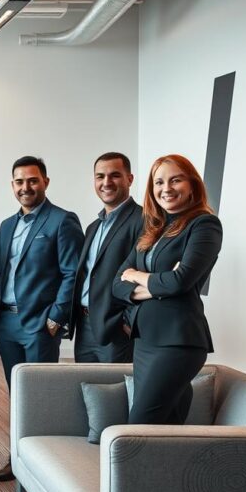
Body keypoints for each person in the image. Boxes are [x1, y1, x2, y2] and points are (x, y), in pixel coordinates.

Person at [0, 156, 83, 482]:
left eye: (32, 180)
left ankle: (43, 465)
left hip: (40, 324)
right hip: (6, 322)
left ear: (45, 181)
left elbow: (73, 273)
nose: (25, 187)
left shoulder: (62, 221)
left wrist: (56, 317)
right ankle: (16, 457)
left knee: (39, 397)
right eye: (19, 181)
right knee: (16, 394)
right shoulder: (6, 226)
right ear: (12, 185)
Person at [113, 154, 222, 425]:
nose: (167, 188)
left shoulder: (204, 225)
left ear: (192, 184)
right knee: (167, 428)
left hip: (178, 342)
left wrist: (137, 275)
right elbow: (117, 284)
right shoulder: (153, 230)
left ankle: (127, 469)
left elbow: (180, 281)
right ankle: (173, 469)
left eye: (176, 180)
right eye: (159, 182)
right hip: (145, 340)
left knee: (139, 425)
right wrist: (157, 284)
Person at [69, 152, 143, 364]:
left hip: (116, 328)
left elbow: (145, 272)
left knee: (115, 392)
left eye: (115, 176)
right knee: (86, 389)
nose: (106, 182)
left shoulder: (142, 220)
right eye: (100, 176)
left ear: (130, 179)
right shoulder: (94, 226)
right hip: (84, 325)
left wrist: (128, 320)